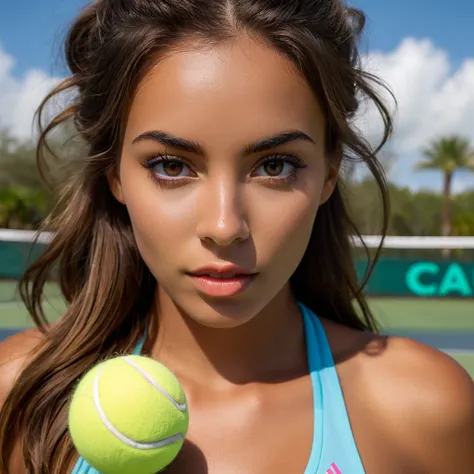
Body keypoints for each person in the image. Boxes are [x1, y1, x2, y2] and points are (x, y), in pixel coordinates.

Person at [1, 0, 473, 473]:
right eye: (171, 166)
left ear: (331, 171)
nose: (225, 227)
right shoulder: (21, 396)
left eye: (275, 166)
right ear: (114, 175)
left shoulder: (427, 409)